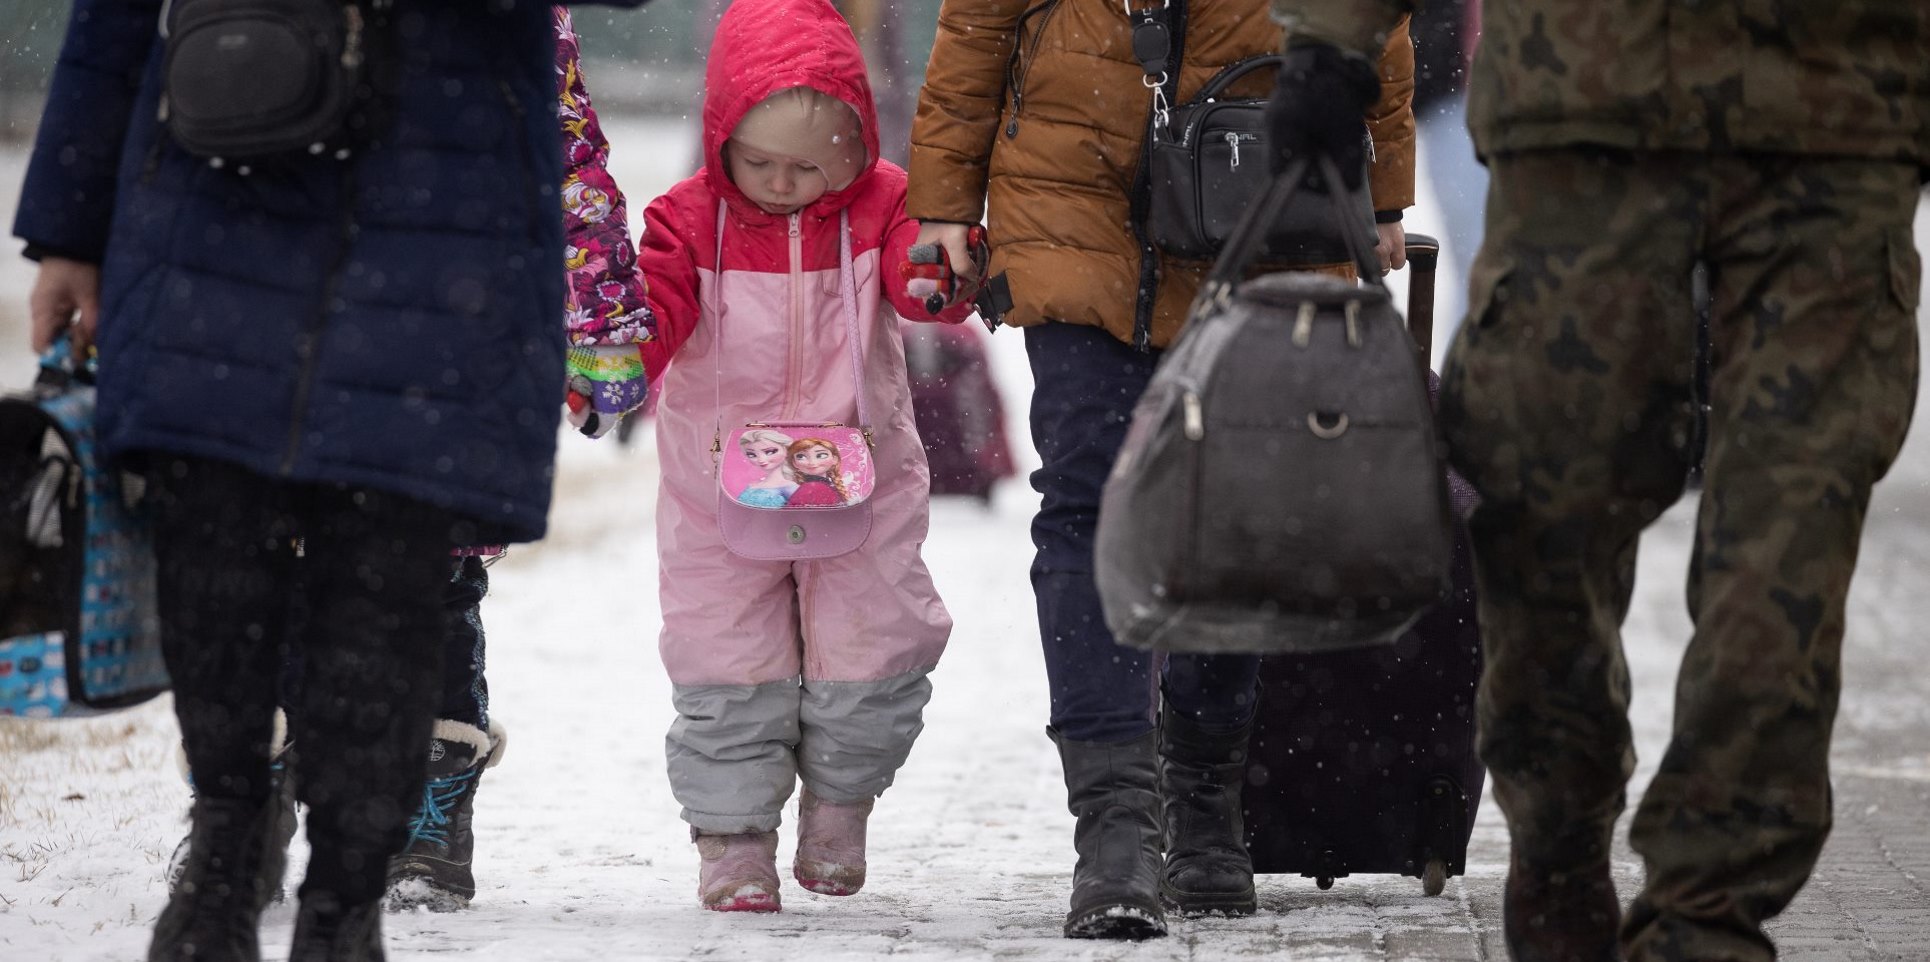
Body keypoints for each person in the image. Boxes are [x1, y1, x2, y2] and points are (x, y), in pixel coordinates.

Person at [1264, 3, 1925, 961]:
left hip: (1827, 120)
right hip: (1597, 105)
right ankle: (1561, 838)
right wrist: (1331, 38)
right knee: (1538, 506)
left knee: (1786, 540)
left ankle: (1707, 910)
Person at [14, 0, 651, 957]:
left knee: (391, 574)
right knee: (213, 542)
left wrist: (602, 325)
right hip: (217, 165)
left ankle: (346, 903)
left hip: (440, 200)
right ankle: (227, 857)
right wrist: (67, 228)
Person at [906, 0, 1416, 940]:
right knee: (1088, 503)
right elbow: (977, 23)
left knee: (1240, 510)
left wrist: (1380, 197)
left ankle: (1205, 794)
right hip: (1073, 201)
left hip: (1255, 189)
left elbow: (1369, 19)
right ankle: (1116, 826)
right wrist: (944, 202)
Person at [576, 0, 972, 914]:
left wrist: (940, 274)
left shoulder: (882, 206)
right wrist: (616, 362)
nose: (782, 183)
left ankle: (840, 805)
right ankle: (733, 839)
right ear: (721, 136)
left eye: (810, 165)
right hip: (719, 488)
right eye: (758, 162)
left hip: (860, 475)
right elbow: (658, 313)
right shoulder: (688, 220)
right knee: (726, 660)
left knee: (873, 646)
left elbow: (925, 293)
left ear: (857, 146)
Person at [735, 429, 801, 507]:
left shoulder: (790, 487)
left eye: (769, 452)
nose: (761, 460)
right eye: (752, 455)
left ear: (787, 450)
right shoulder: (752, 485)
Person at [783, 438, 851, 506]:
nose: (812, 463)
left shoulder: (823, 485)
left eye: (821, 455)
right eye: (801, 456)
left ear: (834, 459)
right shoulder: (813, 487)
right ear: (794, 463)